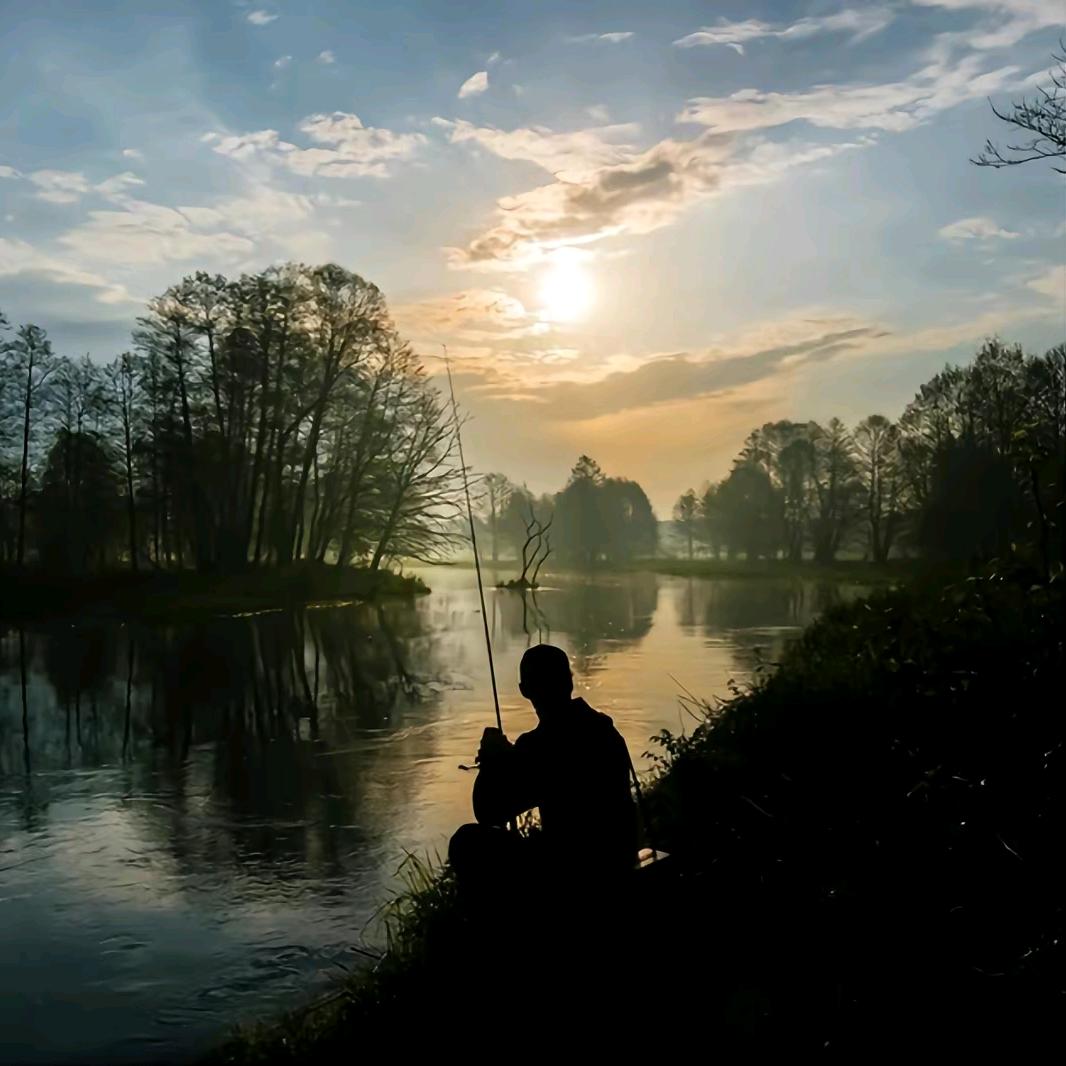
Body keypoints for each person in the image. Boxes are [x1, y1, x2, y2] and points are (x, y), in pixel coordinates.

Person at [448, 644, 638, 905]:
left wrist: (493, 762)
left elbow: (488, 811)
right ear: (570, 682)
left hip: (574, 867)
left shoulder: (539, 744)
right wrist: (511, 759)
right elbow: (546, 771)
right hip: (618, 853)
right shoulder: (603, 728)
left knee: (466, 842)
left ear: (524, 690)